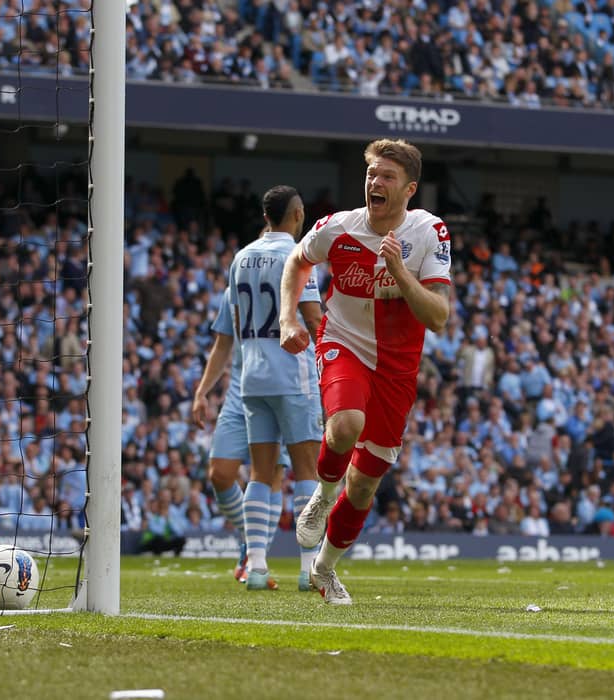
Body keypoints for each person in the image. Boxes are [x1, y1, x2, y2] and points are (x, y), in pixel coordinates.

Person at [280, 139, 451, 604]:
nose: (375, 181)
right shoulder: (337, 227)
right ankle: (320, 495)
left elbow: (438, 316)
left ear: (409, 188)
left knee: (367, 482)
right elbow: (297, 261)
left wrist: (399, 271)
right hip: (343, 343)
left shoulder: (429, 232)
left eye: (387, 176)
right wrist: (289, 317)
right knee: (346, 424)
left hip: (397, 366)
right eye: (373, 173)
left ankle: (325, 569)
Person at [229, 185, 324, 591]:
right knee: (308, 470)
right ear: (298, 213)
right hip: (292, 374)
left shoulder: (240, 257)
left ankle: (257, 567)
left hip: (252, 373)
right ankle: (307, 570)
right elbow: (314, 319)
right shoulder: (298, 255)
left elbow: (236, 321)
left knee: (260, 474)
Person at [192, 282, 285, 589]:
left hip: (279, 389)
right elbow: (222, 345)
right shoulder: (236, 290)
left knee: (271, 474)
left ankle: (256, 560)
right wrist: (202, 391)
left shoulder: (294, 284)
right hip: (238, 393)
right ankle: (250, 539)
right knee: (220, 473)